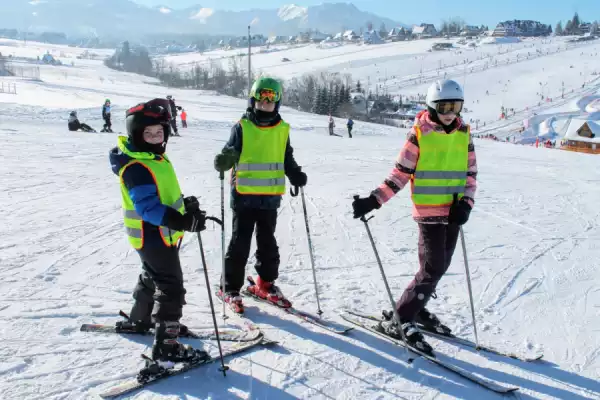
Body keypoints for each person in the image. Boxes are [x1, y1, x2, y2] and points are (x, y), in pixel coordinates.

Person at [351, 79, 478, 355]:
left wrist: (466, 204)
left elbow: (470, 173)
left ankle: (416, 307)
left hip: (453, 212)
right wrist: (374, 200)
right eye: (444, 107)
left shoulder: (464, 132)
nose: (449, 113)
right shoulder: (420, 132)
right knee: (433, 267)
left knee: (438, 267)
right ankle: (401, 317)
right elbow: (400, 173)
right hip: (429, 211)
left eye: (455, 107)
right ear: (432, 106)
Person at [109, 98, 208, 366]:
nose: (154, 137)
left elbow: (163, 194)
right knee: (170, 285)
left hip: (157, 234)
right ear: (135, 134)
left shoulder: (153, 158)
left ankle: (139, 319)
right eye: (147, 133)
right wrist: (184, 222)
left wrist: (185, 207)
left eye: (159, 132)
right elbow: (148, 209)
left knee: (152, 275)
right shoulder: (136, 167)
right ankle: (167, 346)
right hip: (152, 234)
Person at [213, 77, 307, 314]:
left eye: (271, 100)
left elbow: (286, 157)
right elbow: (230, 153)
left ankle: (264, 283)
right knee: (240, 243)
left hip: (270, 198)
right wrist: (224, 160)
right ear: (253, 100)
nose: (265, 104)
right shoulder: (242, 127)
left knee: (268, 243)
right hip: (244, 196)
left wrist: (295, 173)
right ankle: (229, 287)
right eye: (261, 99)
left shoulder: (282, 129)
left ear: (278, 102)